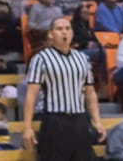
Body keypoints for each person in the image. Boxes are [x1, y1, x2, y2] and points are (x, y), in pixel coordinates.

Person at [22, 18, 107, 161]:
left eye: (68, 28)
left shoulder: (82, 58)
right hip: (54, 121)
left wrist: (97, 121)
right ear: (50, 34)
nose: (64, 32)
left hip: (80, 120)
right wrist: (27, 127)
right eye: (59, 29)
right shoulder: (41, 58)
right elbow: (31, 94)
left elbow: (90, 94)